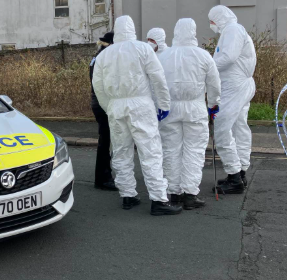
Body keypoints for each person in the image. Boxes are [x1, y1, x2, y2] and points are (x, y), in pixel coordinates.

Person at [93, 15, 181, 215]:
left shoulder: (104, 55)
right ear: (132, 29)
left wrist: (109, 107)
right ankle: (159, 199)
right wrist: (163, 104)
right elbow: (158, 78)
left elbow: (98, 87)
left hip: (116, 106)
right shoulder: (143, 49)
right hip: (140, 104)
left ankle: (128, 195)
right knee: (150, 151)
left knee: (121, 151)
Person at [158, 18, 221, 209]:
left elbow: (156, 83)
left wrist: (158, 105)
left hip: (170, 108)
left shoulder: (164, 56)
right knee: (194, 151)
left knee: (171, 150)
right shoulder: (203, 56)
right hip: (195, 108)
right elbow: (214, 84)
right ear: (193, 32)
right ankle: (190, 193)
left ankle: (174, 192)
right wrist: (213, 104)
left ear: (175, 31)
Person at [208, 5, 256, 194]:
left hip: (234, 87)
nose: (211, 25)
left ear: (219, 18)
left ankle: (234, 176)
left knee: (222, 128)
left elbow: (227, 57)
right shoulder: (234, 30)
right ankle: (240, 171)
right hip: (239, 86)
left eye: (212, 21)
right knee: (239, 127)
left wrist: (207, 67)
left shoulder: (232, 30)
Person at [89, 32, 117, 191]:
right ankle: (103, 177)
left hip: (98, 102)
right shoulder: (103, 58)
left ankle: (103, 176)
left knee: (106, 139)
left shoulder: (97, 56)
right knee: (106, 140)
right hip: (103, 103)